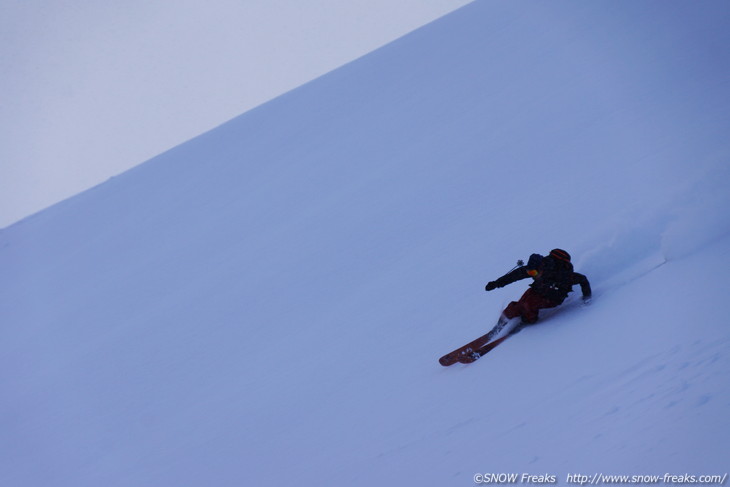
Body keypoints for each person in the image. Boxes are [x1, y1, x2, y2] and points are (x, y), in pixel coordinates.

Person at [485, 249, 591, 324]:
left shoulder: (560, 274)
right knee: (518, 304)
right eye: (530, 272)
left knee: (528, 304)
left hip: (554, 297)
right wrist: (496, 284)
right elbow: (514, 276)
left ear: (541, 268)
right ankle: (504, 320)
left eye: (534, 272)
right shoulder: (534, 269)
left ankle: (529, 320)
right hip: (538, 290)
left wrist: (587, 297)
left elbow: (583, 279)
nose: (532, 274)